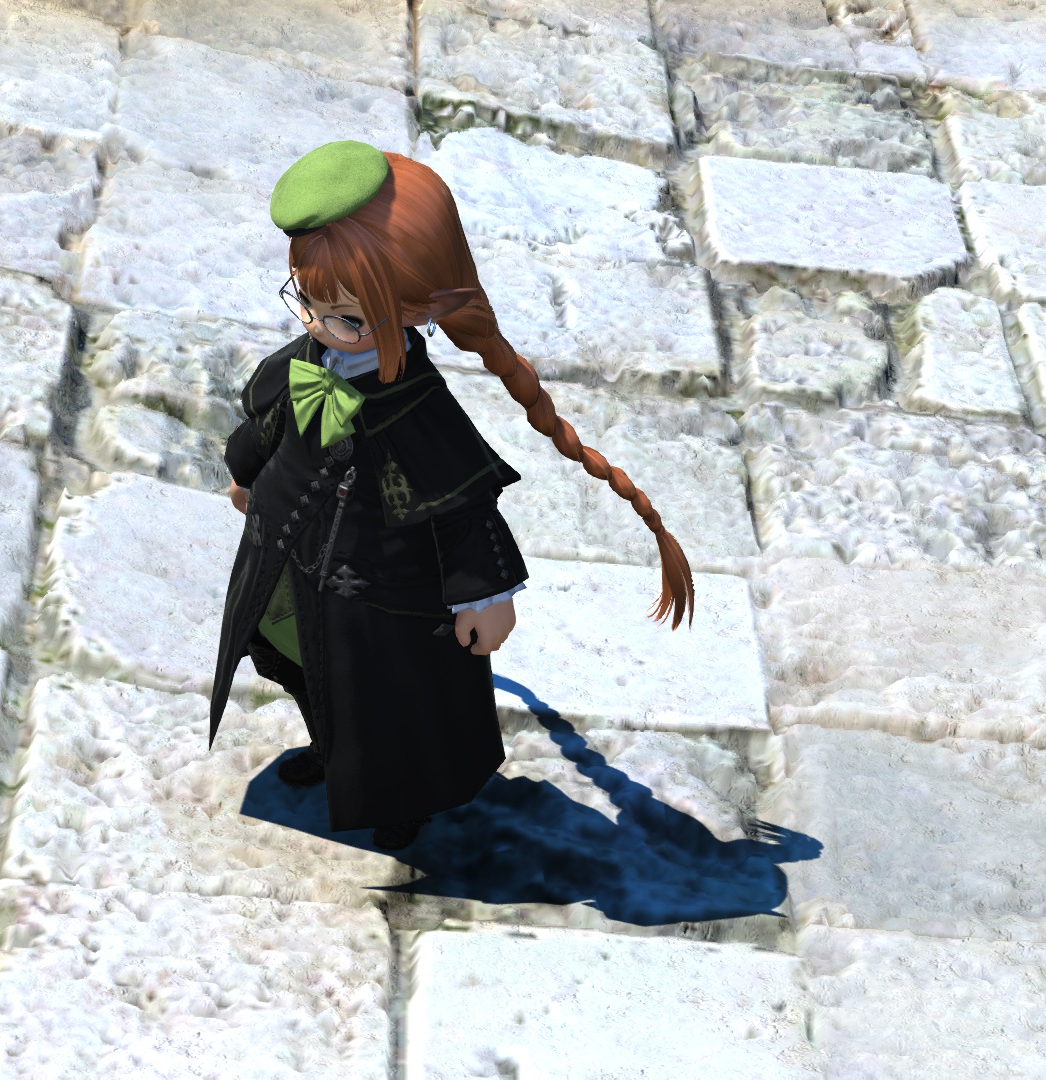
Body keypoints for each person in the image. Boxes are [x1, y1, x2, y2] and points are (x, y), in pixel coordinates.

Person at [207, 140, 694, 851]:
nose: (317, 324)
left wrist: (485, 597)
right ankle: (331, 751)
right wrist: (248, 476)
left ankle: (402, 797)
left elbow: (462, 509)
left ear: (413, 309)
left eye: (347, 317)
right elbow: (267, 426)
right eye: (305, 301)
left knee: (389, 703)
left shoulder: (420, 413)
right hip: (290, 564)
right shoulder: (303, 363)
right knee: (305, 667)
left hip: (380, 595)